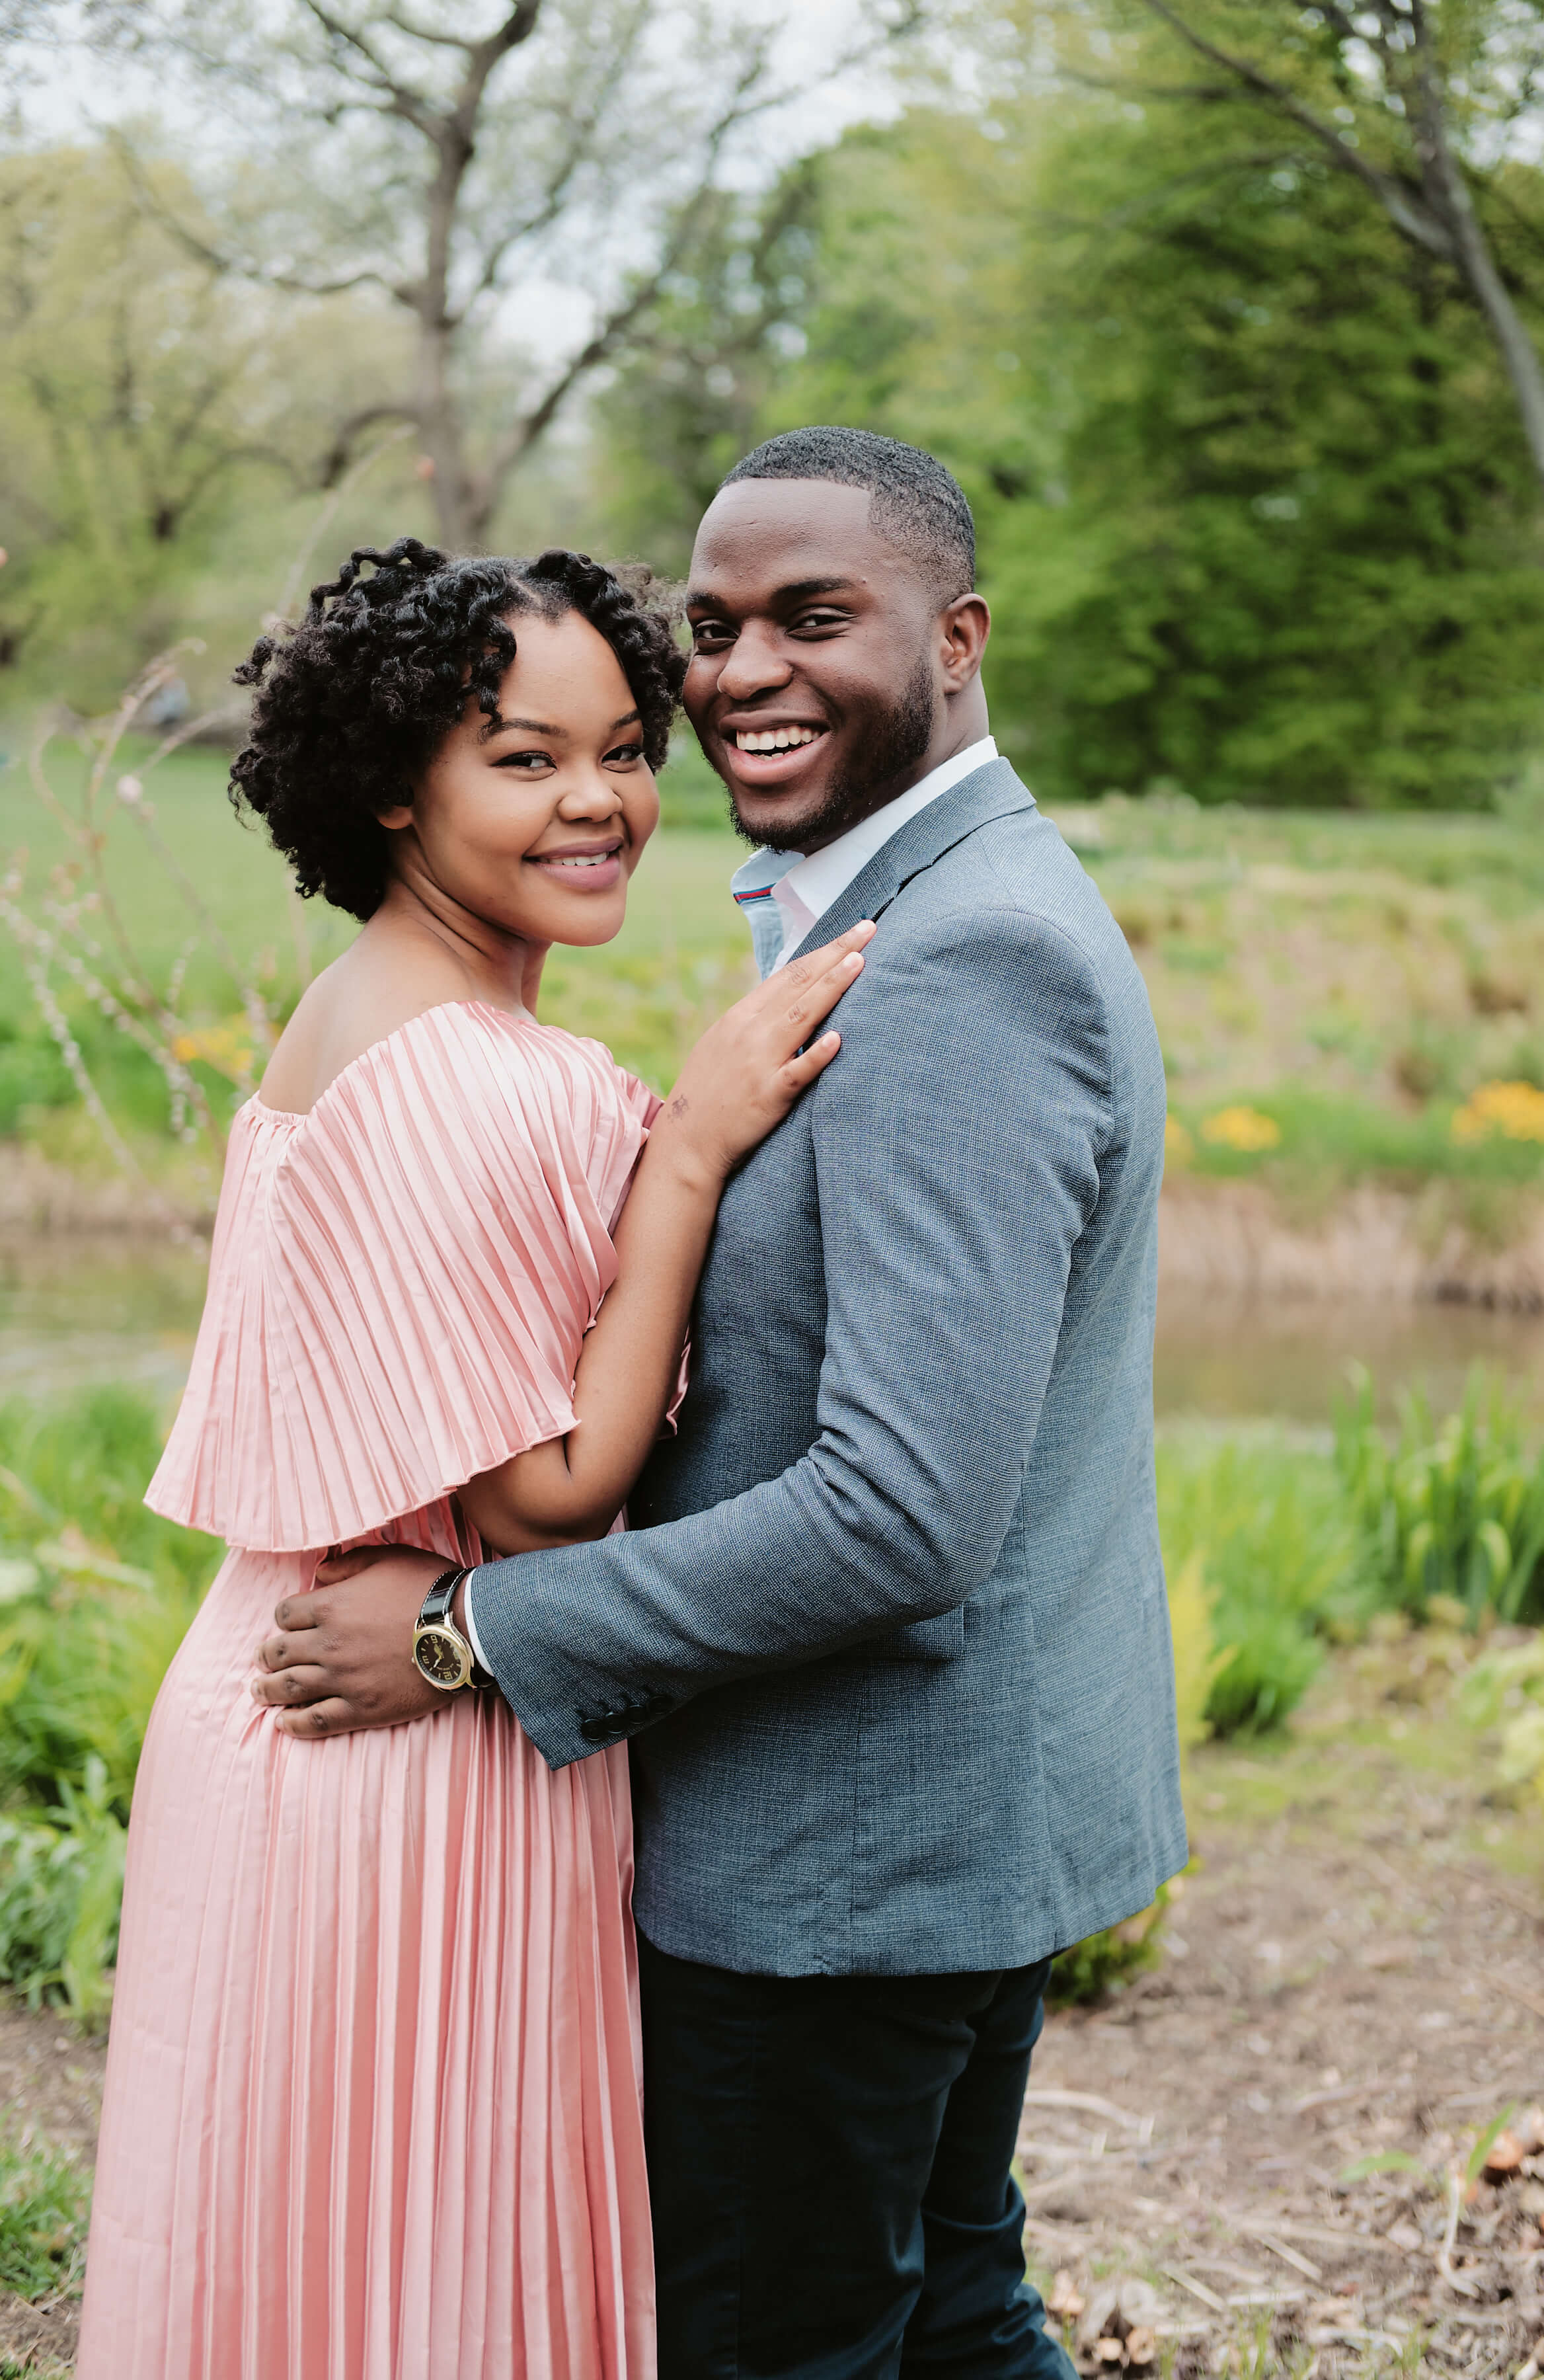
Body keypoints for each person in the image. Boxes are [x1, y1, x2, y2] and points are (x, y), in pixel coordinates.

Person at [258, 428, 1188, 2379]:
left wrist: (461, 1630)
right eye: (718, 626)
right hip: (923, 1829)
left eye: (812, 618)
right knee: (943, 2316)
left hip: (845, 1862)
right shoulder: (910, 904)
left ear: (958, 634)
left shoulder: (968, 958)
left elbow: (900, 1513)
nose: (744, 670)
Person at [76, 537, 874, 2380]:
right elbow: (545, 1493)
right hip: (410, 1753)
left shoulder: (370, 1007)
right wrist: (685, 1158)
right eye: (522, 759)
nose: (596, 801)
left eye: (621, 748)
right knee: (423, 2275)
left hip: (292, 1709)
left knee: (302, 2275)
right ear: (389, 784)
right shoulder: (482, 1080)